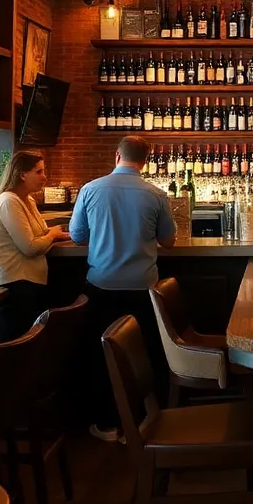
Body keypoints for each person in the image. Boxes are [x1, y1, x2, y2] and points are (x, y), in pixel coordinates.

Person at [69, 135, 176, 440]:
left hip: (101, 286)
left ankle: (107, 425)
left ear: (117, 156)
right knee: (142, 356)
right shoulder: (155, 194)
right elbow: (168, 241)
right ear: (146, 161)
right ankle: (141, 424)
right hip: (143, 289)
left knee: (103, 355)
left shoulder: (91, 189)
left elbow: (77, 236)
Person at [0, 150, 70, 342]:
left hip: (31, 282)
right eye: (39, 172)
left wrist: (53, 236)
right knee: (21, 343)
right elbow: (31, 247)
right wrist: (53, 234)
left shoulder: (27, 199)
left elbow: (40, 237)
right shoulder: (9, 201)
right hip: (16, 283)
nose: (44, 177)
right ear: (22, 174)